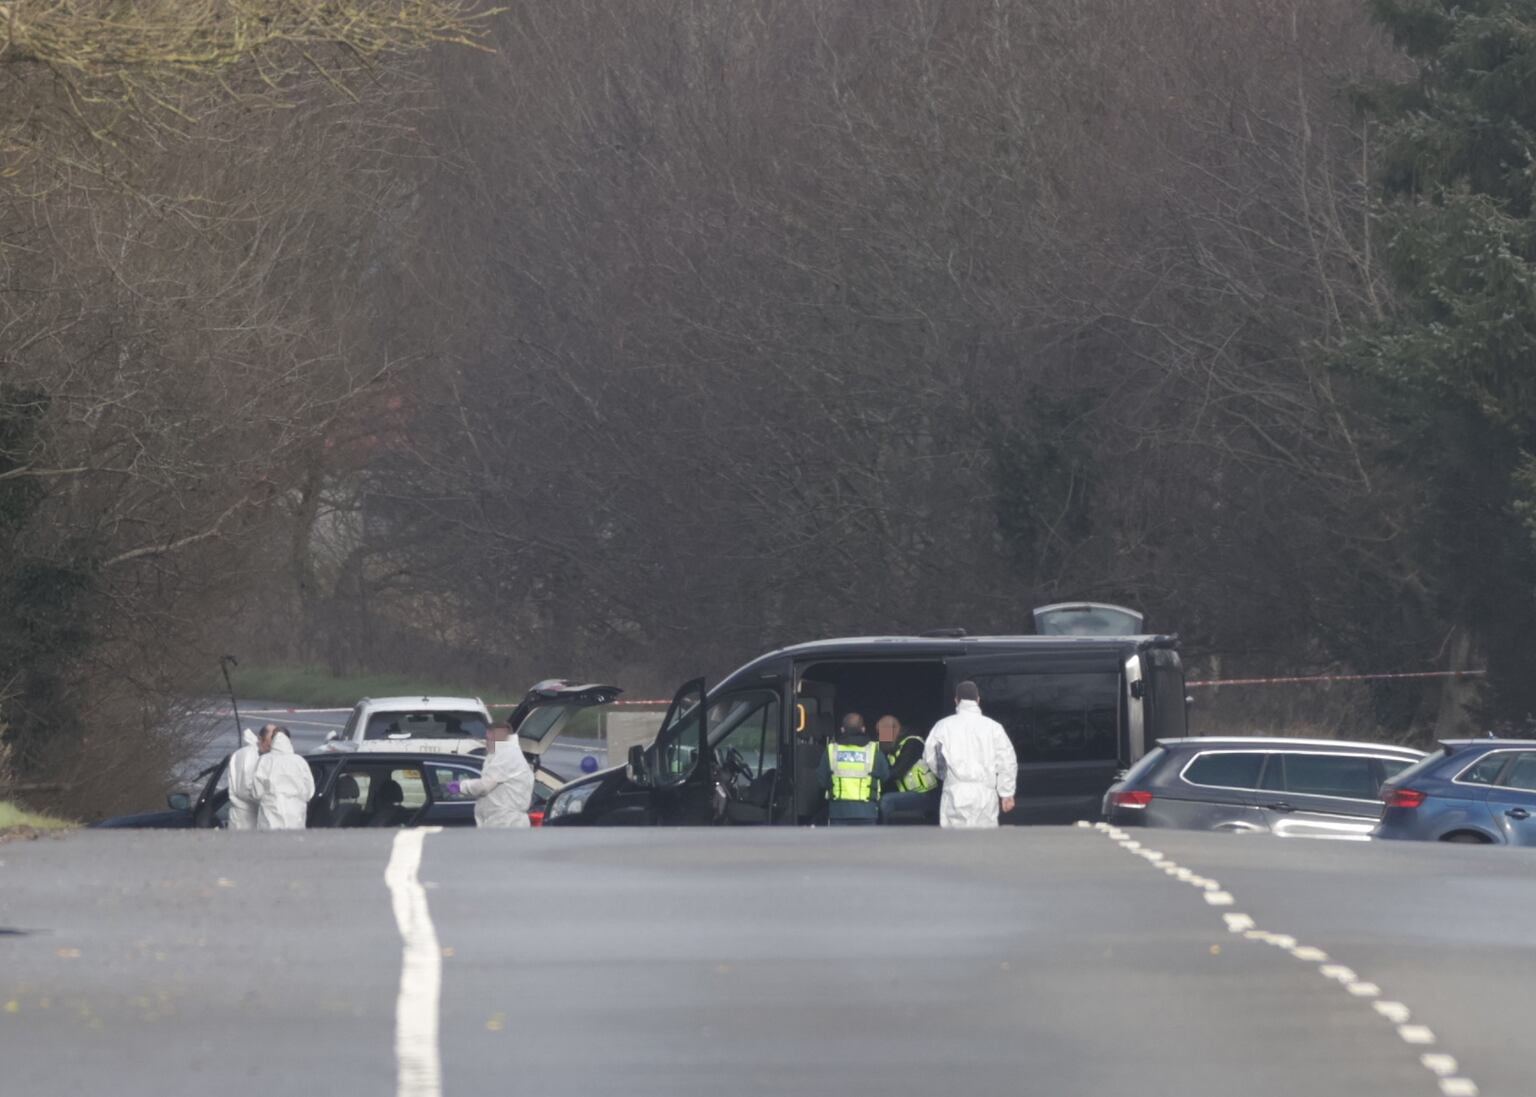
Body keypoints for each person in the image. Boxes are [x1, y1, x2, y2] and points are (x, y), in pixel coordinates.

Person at [922, 681, 1017, 828]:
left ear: (956, 700)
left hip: (955, 792)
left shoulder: (942, 726)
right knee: (984, 844)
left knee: (955, 845)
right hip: (985, 794)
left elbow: (930, 756)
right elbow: (1007, 761)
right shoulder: (993, 727)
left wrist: (944, 775)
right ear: (978, 700)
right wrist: (1006, 793)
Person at [445, 722, 534, 828]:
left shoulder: (507, 755)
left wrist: (460, 786)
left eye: (488, 738)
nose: (486, 742)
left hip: (505, 823)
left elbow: (484, 786)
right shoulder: (506, 753)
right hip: (502, 821)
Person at [815, 712, 891, 825]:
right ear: (863, 729)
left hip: (838, 813)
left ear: (842, 730)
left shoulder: (831, 751)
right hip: (867, 813)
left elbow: (821, 781)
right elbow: (886, 776)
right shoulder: (874, 751)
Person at [875, 714, 941, 824]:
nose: (880, 737)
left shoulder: (912, 743)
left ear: (895, 730)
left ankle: (882, 836)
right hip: (910, 795)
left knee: (887, 800)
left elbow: (896, 772)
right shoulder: (893, 746)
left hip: (925, 795)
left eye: (882, 733)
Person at [251, 726, 316, 830]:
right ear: (289, 740)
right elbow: (309, 792)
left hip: (270, 815)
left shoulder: (264, 761)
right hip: (296, 815)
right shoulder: (300, 762)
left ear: (273, 740)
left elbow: (256, 792)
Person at [225, 725, 266, 831]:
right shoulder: (250, 756)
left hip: (243, 817)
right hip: (245, 819)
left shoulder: (244, 753)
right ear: (261, 739)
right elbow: (246, 788)